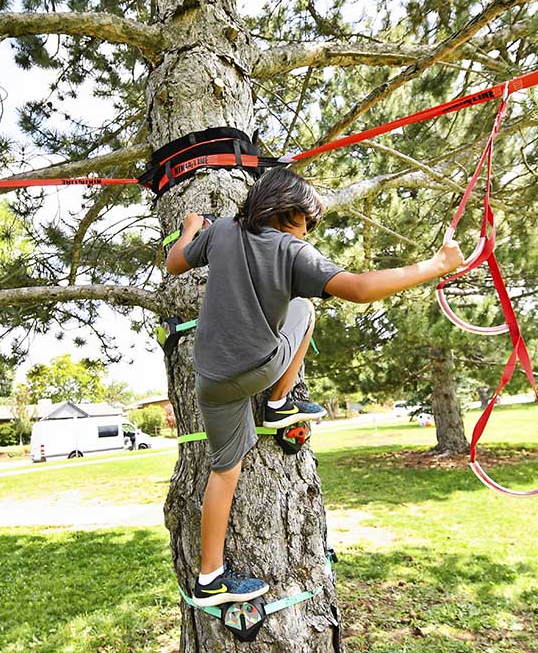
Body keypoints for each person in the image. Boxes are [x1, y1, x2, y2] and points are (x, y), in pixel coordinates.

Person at [166, 168, 463, 606]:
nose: (307, 232)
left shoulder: (223, 230)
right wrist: (436, 266)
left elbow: (175, 262)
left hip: (208, 379)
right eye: (306, 222)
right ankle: (280, 402)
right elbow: (360, 289)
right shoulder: (292, 251)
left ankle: (210, 578)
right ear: (289, 213)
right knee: (304, 308)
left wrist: (191, 228)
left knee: (224, 471)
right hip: (257, 373)